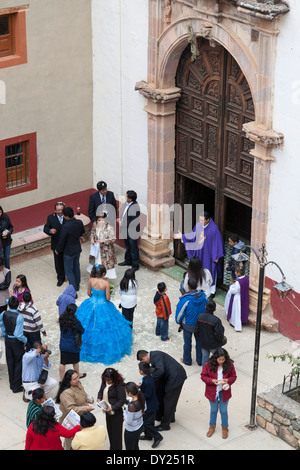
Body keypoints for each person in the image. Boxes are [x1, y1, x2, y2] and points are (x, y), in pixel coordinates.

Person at [76, 265, 132, 364]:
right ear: (103, 274)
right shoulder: (106, 283)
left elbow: (89, 293)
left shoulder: (90, 280)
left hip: (91, 303)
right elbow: (107, 298)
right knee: (107, 329)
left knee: (88, 326)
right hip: (103, 306)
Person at [174, 211, 224, 297]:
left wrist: (216, 256)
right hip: (199, 253)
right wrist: (182, 236)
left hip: (209, 255)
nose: (200, 222)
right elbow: (193, 236)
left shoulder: (214, 229)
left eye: (202, 220)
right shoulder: (198, 226)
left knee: (210, 272)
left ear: (207, 220)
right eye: (199, 220)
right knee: (198, 270)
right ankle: (197, 286)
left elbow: (217, 242)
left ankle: (212, 291)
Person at [136, 350, 187, 431]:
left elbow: (160, 371)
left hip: (176, 378)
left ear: (144, 358)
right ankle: (170, 417)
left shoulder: (155, 357)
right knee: (164, 397)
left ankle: (165, 425)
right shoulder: (154, 355)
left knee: (169, 400)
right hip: (171, 376)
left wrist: (148, 380)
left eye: (142, 361)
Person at [201, 348, 237, 439]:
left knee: (223, 411)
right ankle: (211, 427)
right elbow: (203, 376)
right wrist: (212, 381)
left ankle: (225, 428)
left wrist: (227, 380)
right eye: (219, 360)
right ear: (215, 358)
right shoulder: (208, 364)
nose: (221, 361)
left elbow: (234, 376)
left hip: (224, 392)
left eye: (223, 360)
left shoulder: (230, 365)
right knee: (213, 410)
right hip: (212, 392)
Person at [56, 370, 94, 450]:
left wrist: (88, 399)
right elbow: (71, 409)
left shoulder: (78, 384)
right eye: (74, 379)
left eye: (77, 377)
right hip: (71, 422)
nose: (77, 380)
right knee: (71, 443)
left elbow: (83, 394)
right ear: (68, 381)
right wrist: (86, 408)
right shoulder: (66, 393)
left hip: (80, 418)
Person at [175, 277, 207, 366]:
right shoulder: (204, 296)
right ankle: (200, 361)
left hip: (187, 325)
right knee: (200, 343)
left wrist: (179, 322)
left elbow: (179, 314)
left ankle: (187, 360)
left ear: (188, 286)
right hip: (200, 324)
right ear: (197, 286)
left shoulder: (185, 300)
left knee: (187, 344)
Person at [0, 296, 27, 393]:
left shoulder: (3, 313)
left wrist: (5, 336)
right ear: (18, 305)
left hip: (7, 339)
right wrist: (25, 340)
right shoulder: (19, 317)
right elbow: (18, 334)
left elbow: (2, 326)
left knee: (10, 361)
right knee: (19, 362)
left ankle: (12, 383)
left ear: (9, 304)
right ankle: (16, 386)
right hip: (16, 341)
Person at [55, 206, 85, 292]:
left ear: (66, 216)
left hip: (68, 251)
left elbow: (62, 240)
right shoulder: (79, 222)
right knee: (76, 267)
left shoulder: (65, 226)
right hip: (77, 249)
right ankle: (77, 284)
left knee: (69, 270)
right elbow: (82, 232)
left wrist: (58, 249)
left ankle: (73, 288)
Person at [97, 368, 127, 450]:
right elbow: (100, 392)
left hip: (116, 413)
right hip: (107, 411)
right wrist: (99, 399)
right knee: (110, 431)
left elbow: (122, 400)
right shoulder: (104, 382)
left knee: (116, 434)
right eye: (106, 380)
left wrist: (112, 408)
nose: (107, 381)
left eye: (109, 380)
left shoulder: (119, 385)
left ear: (114, 378)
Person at [138, 361, 163, 448]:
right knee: (149, 422)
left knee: (146, 423)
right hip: (151, 405)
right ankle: (148, 435)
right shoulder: (147, 378)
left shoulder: (148, 381)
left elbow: (147, 394)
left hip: (150, 406)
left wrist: (139, 393)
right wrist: (140, 387)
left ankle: (157, 437)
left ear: (141, 371)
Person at [58, 303, 86, 382]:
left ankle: (62, 379)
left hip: (63, 344)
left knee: (62, 362)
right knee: (75, 361)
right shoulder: (76, 322)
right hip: (73, 345)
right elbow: (82, 331)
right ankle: (78, 374)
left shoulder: (61, 319)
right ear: (74, 312)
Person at [195, 300, 225, 366]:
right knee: (218, 360)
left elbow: (196, 331)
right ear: (215, 309)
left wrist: (202, 338)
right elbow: (219, 334)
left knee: (205, 360)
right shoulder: (216, 320)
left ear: (205, 307)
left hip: (203, 343)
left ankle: (204, 373)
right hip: (214, 345)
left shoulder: (200, 317)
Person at [88, 211, 117, 279]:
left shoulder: (109, 227)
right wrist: (92, 238)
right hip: (96, 250)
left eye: (102, 220)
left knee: (105, 266)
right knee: (96, 263)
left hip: (106, 251)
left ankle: (104, 282)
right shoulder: (95, 225)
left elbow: (113, 239)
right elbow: (92, 233)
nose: (101, 222)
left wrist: (104, 241)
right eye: (99, 220)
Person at [43, 202, 66, 286]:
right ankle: (60, 278)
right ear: (55, 210)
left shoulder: (68, 215)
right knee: (58, 262)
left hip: (67, 244)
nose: (60, 212)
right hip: (56, 244)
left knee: (67, 261)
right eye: (58, 210)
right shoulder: (50, 217)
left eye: (61, 210)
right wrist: (50, 231)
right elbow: (45, 228)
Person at [118, 190, 140, 271]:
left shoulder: (135, 207)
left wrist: (122, 223)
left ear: (130, 199)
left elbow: (132, 221)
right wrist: (120, 218)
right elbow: (124, 213)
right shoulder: (127, 203)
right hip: (125, 230)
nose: (125, 197)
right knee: (128, 247)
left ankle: (135, 265)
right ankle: (128, 261)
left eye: (126, 196)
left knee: (133, 248)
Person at [224, 267, 249, 332]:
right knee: (242, 310)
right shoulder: (246, 278)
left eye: (235, 272)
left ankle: (235, 324)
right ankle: (242, 320)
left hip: (237, 298)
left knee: (236, 312)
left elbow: (234, 291)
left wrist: (231, 286)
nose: (235, 273)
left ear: (239, 273)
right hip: (244, 296)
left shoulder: (238, 282)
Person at [123, 382, 145, 450]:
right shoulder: (141, 397)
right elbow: (145, 408)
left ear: (130, 393)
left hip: (131, 430)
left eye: (126, 391)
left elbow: (129, 421)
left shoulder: (132, 406)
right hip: (139, 426)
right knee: (135, 446)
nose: (126, 392)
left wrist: (124, 413)